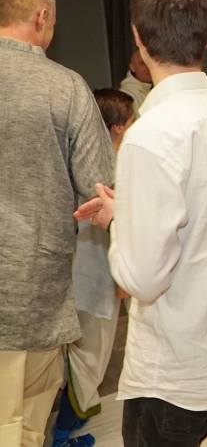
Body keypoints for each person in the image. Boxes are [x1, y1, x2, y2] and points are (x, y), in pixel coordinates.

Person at [74, 0, 207, 447]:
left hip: (177, 367)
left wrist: (121, 225)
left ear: (139, 38)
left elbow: (142, 279)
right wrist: (129, 214)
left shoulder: (150, 135)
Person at [0, 0, 115, 447]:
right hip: (32, 284)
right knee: (23, 415)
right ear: (41, 17)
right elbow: (98, 186)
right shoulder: (64, 86)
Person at [51, 89, 135, 447]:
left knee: (76, 357)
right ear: (117, 128)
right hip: (95, 278)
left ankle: (67, 420)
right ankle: (61, 436)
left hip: (72, 276)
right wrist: (124, 280)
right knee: (89, 362)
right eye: (132, 120)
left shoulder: (74, 158)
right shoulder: (111, 172)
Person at [119, 49, 153, 114]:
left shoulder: (155, 89)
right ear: (132, 67)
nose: (147, 68)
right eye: (142, 64)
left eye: (149, 63)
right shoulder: (126, 94)